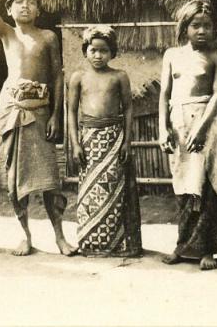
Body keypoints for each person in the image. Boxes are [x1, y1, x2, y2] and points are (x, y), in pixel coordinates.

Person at [0, 0, 76, 256]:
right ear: (9, 10)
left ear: (38, 11)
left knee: (49, 178)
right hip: (12, 111)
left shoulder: (47, 37)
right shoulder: (7, 35)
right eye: (19, 2)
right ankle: (25, 235)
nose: (25, 6)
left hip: (40, 110)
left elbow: (57, 76)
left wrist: (56, 115)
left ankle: (60, 236)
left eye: (31, 2)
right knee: (14, 178)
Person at [158, 0, 217, 270]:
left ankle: (210, 249)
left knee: (207, 185)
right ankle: (184, 246)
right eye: (196, 25)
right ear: (185, 27)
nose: (202, 31)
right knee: (184, 184)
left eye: (207, 25)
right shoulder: (172, 55)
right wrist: (163, 128)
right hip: (179, 124)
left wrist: (202, 128)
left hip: (206, 122)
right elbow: (164, 95)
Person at [67, 25, 142, 257]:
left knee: (114, 189)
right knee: (90, 191)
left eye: (104, 51)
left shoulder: (119, 76)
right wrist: (75, 144)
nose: (98, 56)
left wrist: (127, 142)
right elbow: (71, 112)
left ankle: (118, 243)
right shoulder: (78, 77)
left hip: (113, 137)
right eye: (93, 50)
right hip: (89, 139)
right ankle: (91, 241)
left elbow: (128, 109)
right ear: (85, 51)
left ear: (112, 52)